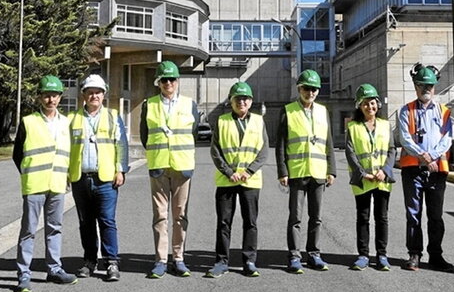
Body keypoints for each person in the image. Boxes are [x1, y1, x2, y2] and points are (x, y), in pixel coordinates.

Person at [12, 75, 76, 292]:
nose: (51, 99)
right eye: (47, 95)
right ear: (40, 97)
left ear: (60, 97)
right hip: (34, 185)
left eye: (55, 95)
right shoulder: (28, 122)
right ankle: (24, 274)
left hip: (57, 184)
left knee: (55, 228)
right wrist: (28, 174)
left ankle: (54, 269)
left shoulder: (67, 123)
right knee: (28, 230)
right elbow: (17, 154)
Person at [140, 60, 201, 279]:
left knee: (180, 215)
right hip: (158, 165)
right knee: (160, 215)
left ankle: (178, 258)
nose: (168, 83)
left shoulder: (189, 104)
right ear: (158, 82)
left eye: (172, 79)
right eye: (164, 79)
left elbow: (192, 133)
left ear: (178, 81)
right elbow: (146, 136)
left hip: (182, 166)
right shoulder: (149, 104)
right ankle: (160, 260)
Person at [68, 74, 129, 282]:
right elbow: (65, 148)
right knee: (85, 222)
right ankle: (89, 261)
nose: (94, 95)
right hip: (80, 178)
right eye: (90, 92)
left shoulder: (113, 116)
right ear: (83, 95)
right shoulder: (72, 118)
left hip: (106, 179)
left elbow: (121, 145)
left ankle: (111, 261)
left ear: (104, 95)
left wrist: (120, 170)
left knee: (107, 221)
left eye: (98, 92)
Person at [276, 69, 336, 274]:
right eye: (307, 88)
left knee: (316, 217)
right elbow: (281, 143)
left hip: (318, 172)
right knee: (296, 217)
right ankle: (294, 255)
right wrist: (282, 171)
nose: (310, 92)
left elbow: (328, 143)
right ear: (299, 89)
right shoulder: (288, 110)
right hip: (296, 172)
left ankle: (314, 254)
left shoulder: (322, 111)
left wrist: (332, 170)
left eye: (314, 89)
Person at [205, 82, 268, 278]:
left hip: (250, 181)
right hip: (227, 180)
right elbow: (215, 151)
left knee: (250, 222)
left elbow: (263, 151)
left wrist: (249, 171)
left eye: (245, 99)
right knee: (224, 222)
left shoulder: (258, 121)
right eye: (238, 98)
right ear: (231, 101)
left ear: (250, 102)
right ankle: (221, 261)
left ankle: (249, 261)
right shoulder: (222, 121)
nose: (242, 102)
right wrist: (228, 171)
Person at [397, 63, 454, 272]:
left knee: (435, 215)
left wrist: (433, 157)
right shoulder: (406, 111)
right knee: (413, 213)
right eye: (422, 85)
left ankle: (436, 255)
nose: (426, 89)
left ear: (435, 87)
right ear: (415, 86)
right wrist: (423, 156)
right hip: (413, 170)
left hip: (436, 171)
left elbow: (448, 139)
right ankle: (414, 254)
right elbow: (404, 138)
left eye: (429, 85)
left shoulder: (445, 112)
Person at [345, 83, 395, 272]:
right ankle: (363, 255)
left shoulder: (385, 125)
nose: (369, 107)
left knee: (382, 217)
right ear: (359, 105)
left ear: (378, 104)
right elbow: (350, 153)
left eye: (372, 103)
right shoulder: (353, 127)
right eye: (365, 103)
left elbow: (391, 150)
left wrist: (385, 170)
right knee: (363, 217)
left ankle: (382, 255)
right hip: (363, 180)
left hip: (382, 179)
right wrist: (362, 173)